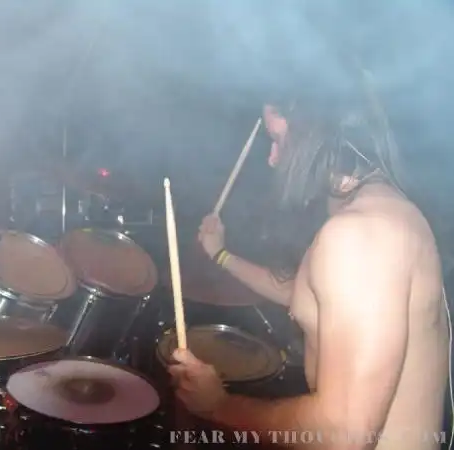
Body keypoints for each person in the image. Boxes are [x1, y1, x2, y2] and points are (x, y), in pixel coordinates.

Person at [168, 90, 450, 449]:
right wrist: (221, 255)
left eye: (277, 140)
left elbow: (344, 433)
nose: (272, 159)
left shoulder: (362, 234)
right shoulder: (375, 211)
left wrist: (219, 405)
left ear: (313, 130)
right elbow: (299, 292)